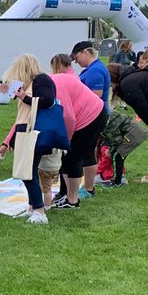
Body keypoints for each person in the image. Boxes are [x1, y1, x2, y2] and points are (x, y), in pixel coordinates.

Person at [0, 54, 57, 224]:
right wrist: (7, 141)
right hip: (25, 130)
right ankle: (33, 207)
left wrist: (25, 98)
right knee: (28, 171)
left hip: (33, 131)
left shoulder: (41, 80)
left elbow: (48, 101)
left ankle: (39, 210)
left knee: (27, 172)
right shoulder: (30, 84)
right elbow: (20, 117)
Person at [48, 52, 107, 207]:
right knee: (75, 155)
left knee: (73, 155)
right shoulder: (66, 78)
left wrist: (66, 138)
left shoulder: (57, 82)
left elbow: (68, 116)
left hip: (90, 117)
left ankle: (72, 199)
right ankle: (72, 193)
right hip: (93, 113)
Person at [71, 41, 111, 109]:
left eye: (76, 57)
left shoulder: (95, 70)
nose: (76, 62)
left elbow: (96, 95)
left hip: (95, 111)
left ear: (85, 52)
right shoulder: (96, 67)